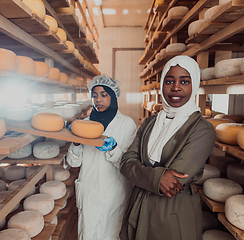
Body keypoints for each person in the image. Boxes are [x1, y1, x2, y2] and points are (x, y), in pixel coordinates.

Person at [119, 55, 216, 240]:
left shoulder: (202, 129)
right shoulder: (150, 122)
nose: (176, 87)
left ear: (194, 85)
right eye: (169, 81)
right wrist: (158, 177)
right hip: (137, 207)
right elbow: (125, 163)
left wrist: (141, 172)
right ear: (162, 84)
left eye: (184, 81)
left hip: (172, 215)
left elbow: (174, 182)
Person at [66, 74, 137, 240]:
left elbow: (128, 164)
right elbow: (73, 162)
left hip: (114, 190)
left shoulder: (127, 124)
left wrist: (113, 148)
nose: (98, 99)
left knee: (111, 234)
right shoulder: (84, 124)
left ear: (113, 96)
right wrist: (75, 142)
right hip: (89, 190)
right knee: (88, 233)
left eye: (104, 95)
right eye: (95, 95)